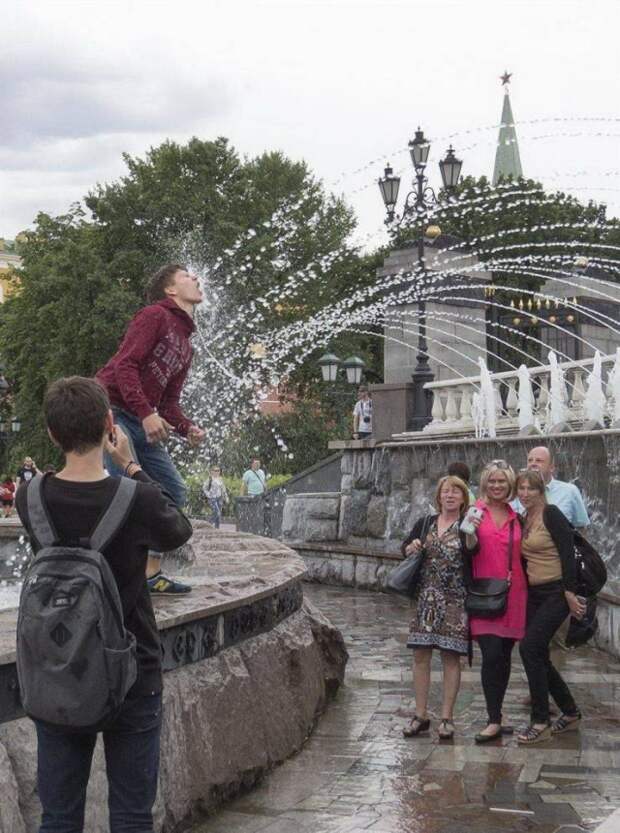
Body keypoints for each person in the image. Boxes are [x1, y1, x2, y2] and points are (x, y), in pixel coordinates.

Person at [15, 375, 192, 833]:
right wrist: (131, 465)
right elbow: (179, 529)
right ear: (110, 425)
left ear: (53, 433)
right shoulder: (137, 499)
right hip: (132, 670)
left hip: (58, 670)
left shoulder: (29, 496)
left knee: (58, 816)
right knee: (132, 815)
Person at [96, 264, 205, 595]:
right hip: (113, 409)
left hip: (141, 418)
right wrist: (145, 413)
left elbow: (169, 402)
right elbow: (125, 366)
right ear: (170, 290)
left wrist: (187, 428)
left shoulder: (186, 345)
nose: (197, 279)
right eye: (188, 276)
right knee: (120, 495)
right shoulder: (153, 315)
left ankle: (150, 573)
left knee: (172, 492)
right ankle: (105, 575)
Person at [401, 475, 474, 741]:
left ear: (464, 498)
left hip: (455, 600)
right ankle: (421, 715)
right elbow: (405, 548)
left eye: (456, 491)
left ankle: (447, 717)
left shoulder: (467, 526)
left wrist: (472, 537)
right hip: (425, 599)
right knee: (421, 656)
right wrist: (410, 546)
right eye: (446, 491)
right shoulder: (425, 523)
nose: (450, 495)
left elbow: (474, 554)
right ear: (439, 496)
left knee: (450, 658)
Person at [515, 469, 585, 744]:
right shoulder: (524, 518)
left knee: (529, 647)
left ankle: (540, 720)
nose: (524, 494)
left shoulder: (551, 513)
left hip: (556, 591)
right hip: (535, 593)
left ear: (541, 490)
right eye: (520, 489)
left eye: (530, 489)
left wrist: (569, 592)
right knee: (538, 654)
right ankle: (569, 712)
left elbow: (568, 553)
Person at [467, 460, 527, 744]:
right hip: (483, 594)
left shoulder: (519, 517)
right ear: (485, 484)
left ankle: (498, 715)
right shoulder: (475, 511)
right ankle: (492, 719)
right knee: (491, 655)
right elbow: (465, 547)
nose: (497, 486)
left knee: (503, 658)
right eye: (492, 481)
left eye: (502, 481)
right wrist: (469, 532)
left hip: (514, 595)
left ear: (510, 485)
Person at [512, 446, 590, 529]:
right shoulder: (517, 492)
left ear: (552, 467)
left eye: (539, 460)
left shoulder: (570, 491)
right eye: (530, 460)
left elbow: (582, 527)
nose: (533, 464)